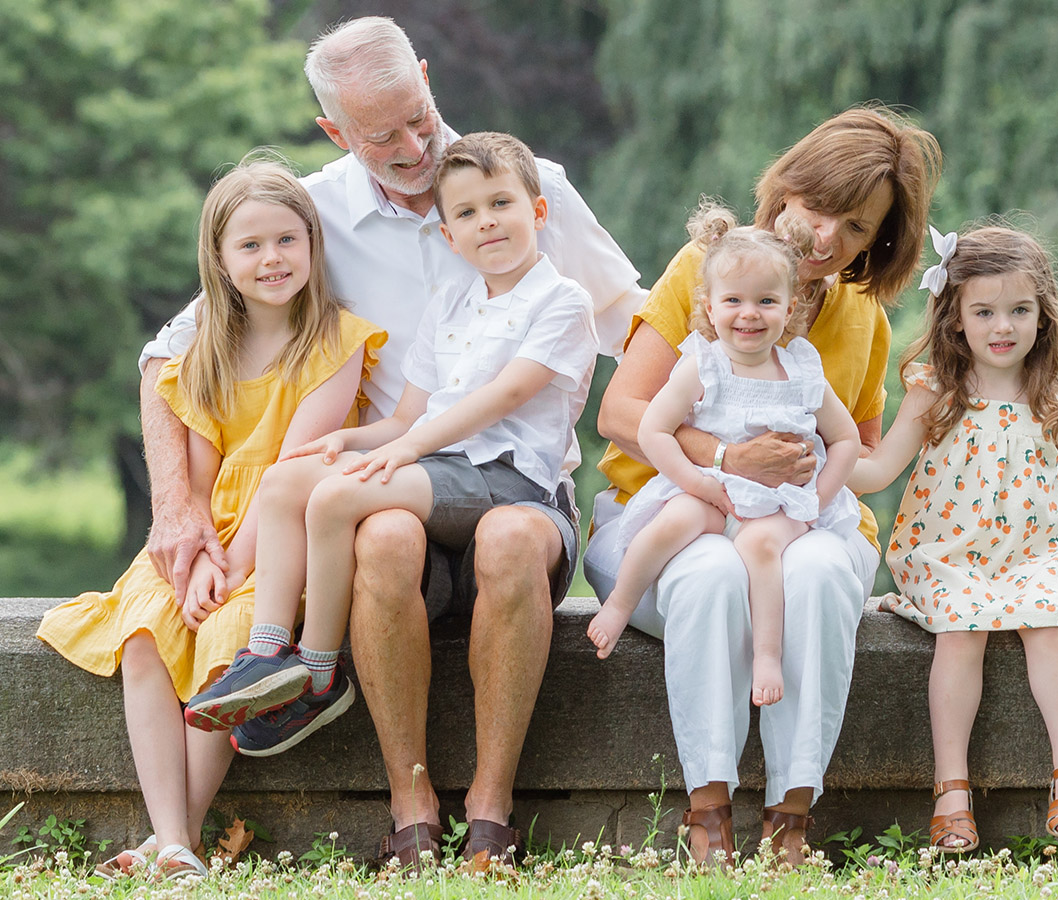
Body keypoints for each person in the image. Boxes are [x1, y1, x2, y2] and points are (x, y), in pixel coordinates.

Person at [137, 17, 644, 870]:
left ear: (425, 73)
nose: (415, 144)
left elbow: (636, 322)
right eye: (383, 135)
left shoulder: (529, 185)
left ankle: (489, 812)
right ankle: (405, 803)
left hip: (507, 488)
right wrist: (178, 505)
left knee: (509, 536)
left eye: (420, 113)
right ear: (336, 132)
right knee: (373, 526)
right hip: (396, 493)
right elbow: (170, 353)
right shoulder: (312, 215)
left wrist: (705, 437)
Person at [584, 105, 942, 865]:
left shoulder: (863, 320)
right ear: (785, 189)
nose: (825, 240)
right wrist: (725, 459)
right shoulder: (707, 270)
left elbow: (861, 456)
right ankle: (707, 811)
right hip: (674, 511)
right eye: (819, 209)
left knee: (812, 576)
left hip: (798, 524)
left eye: (855, 229)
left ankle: (792, 816)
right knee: (711, 575)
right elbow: (621, 412)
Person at [186, 133, 597, 766]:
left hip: (508, 478)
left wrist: (404, 453)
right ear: (447, 235)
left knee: (336, 497)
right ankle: (265, 653)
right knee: (288, 479)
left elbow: (501, 396)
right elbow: (410, 415)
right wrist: (345, 440)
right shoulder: (450, 305)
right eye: (465, 213)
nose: (485, 222)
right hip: (438, 467)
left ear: (536, 212)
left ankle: (319, 673)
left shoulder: (562, 300)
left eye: (501, 204)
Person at [37, 158, 386, 880]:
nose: (271, 260)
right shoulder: (204, 350)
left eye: (287, 241)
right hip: (213, 533)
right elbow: (195, 482)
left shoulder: (337, 343)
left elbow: (291, 472)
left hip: (278, 541)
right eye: (250, 246)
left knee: (228, 645)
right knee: (144, 634)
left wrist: (230, 570)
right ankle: (172, 839)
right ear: (219, 262)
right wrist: (196, 558)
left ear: (314, 245)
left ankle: (171, 842)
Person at [847, 223, 1058, 852]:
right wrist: (823, 450)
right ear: (955, 317)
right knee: (962, 631)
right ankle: (952, 790)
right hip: (948, 558)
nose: (1003, 326)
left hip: (1032, 558)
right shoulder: (935, 393)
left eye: (1020, 310)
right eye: (985, 311)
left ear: (1043, 317)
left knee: (1050, 623)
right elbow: (877, 471)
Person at [587, 201, 861, 711]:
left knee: (762, 551)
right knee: (670, 524)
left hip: (782, 503)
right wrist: (697, 481)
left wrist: (817, 498)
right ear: (709, 308)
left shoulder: (802, 369)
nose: (749, 314)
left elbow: (846, 440)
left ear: (790, 306)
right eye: (733, 300)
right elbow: (653, 429)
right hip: (713, 490)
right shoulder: (702, 363)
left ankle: (767, 656)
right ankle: (621, 603)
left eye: (766, 301)